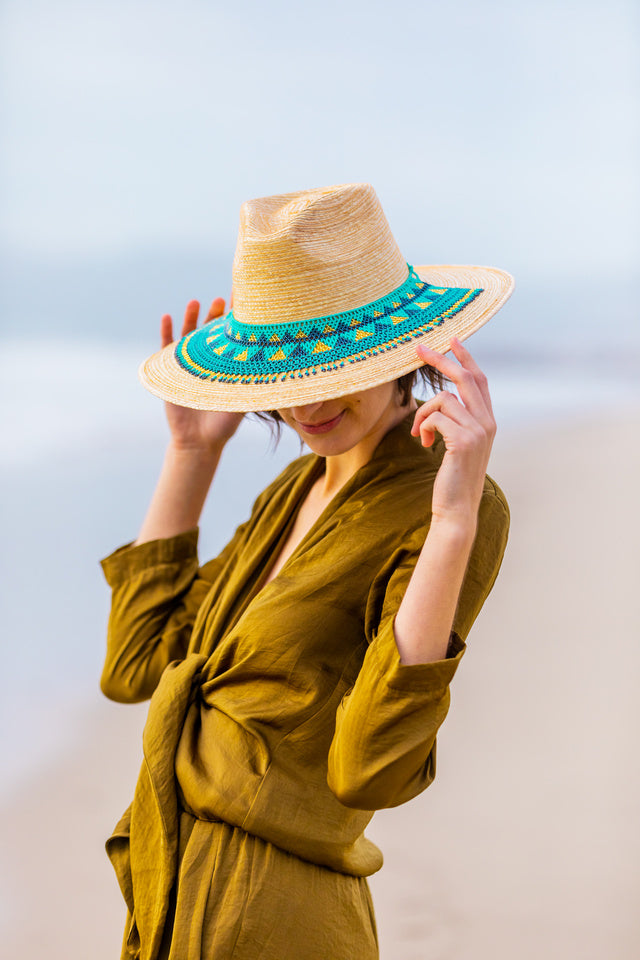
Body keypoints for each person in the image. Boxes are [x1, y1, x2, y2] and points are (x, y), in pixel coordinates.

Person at [100, 183, 513, 960]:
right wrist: (192, 454)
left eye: (331, 369)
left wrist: (453, 523)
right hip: (172, 890)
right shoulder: (295, 489)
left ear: (396, 354)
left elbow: (370, 770)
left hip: (273, 915)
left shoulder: (445, 501)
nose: (307, 405)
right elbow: (136, 663)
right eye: (290, 377)